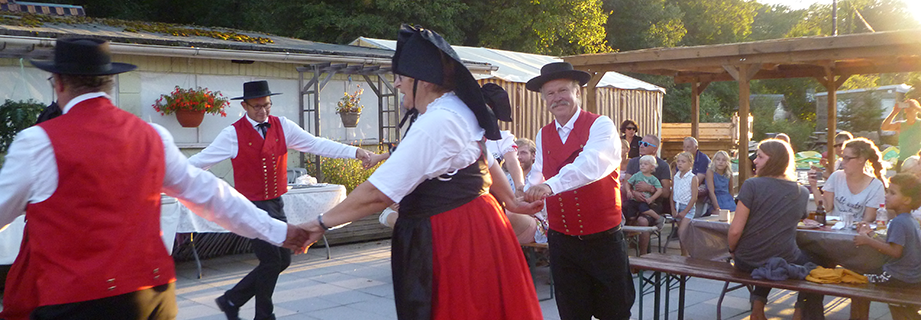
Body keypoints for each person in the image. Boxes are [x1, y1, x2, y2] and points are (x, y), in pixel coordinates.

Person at [0, 38, 308, 320]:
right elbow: (212, 195)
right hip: (151, 296)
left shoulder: (36, 142)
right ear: (109, 83)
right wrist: (279, 231)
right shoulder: (152, 136)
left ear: (59, 83)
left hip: (77, 300)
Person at [295, 25, 545, 320]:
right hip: (477, 224)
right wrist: (512, 202)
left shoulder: (437, 122)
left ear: (423, 81)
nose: (397, 84)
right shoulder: (457, 109)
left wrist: (320, 223)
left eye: (401, 77)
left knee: (459, 309)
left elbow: (377, 193)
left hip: (453, 235)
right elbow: (486, 159)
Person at [188, 80, 372, 320]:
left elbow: (316, 144)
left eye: (267, 105)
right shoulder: (232, 134)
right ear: (244, 106)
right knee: (272, 260)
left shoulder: (283, 126)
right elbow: (200, 162)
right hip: (251, 207)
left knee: (282, 259)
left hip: (275, 203)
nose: (263, 111)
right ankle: (262, 314)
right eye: (257, 107)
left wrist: (354, 151)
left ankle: (232, 298)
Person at [523, 61, 635, 320]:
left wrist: (549, 186)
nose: (557, 98)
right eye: (550, 93)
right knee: (572, 313)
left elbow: (591, 164)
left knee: (615, 313)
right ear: (544, 99)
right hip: (562, 241)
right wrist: (526, 192)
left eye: (563, 91)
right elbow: (539, 170)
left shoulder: (601, 125)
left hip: (603, 241)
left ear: (578, 93)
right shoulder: (543, 133)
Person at [728, 139, 825, 320]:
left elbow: (735, 231)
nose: (754, 161)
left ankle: (757, 310)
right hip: (781, 258)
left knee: (771, 258)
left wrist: (732, 250)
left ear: (773, 160)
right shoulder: (801, 192)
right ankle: (800, 312)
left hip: (747, 260)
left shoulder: (751, 185)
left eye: (759, 157)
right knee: (820, 263)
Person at [851, 173, 921, 320]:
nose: (886, 195)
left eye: (892, 193)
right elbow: (895, 246)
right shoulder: (910, 220)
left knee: (856, 281)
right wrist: (871, 235)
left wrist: (867, 241)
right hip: (911, 277)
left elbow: (895, 252)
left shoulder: (899, 222)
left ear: (907, 200)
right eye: (887, 191)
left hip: (897, 277)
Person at [809, 138, 887, 225]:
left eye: (847, 158)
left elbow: (867, 220)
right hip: (833, 228)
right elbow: (826, 207)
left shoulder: (876, 186)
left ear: (861, 159)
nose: (843, 163)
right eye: (842, 158)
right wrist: (814, 187)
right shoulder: (836, 176)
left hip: (857, 232)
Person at [622, 134, 672, 255]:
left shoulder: (663, 166)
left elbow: (666, 192)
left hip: (652, 203)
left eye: (645, 144)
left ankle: (643, 257)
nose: (641, 146)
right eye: (640, 143)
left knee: (643, 221)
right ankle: (623, 252)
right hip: (633, 201)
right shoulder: (633, 162)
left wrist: (650, 188)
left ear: (654, 149)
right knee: (619, 215)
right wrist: (633, 192)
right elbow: (625, 185)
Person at [482, 83, 526, 195]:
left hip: (493, 195)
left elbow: (512, 161)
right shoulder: (463, 135)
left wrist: (519, 186)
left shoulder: (502, 138)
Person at [505, 138, 549, 244]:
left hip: (536, 221)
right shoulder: (507, 178)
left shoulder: (540, 176)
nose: (519, 157)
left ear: (533, 155)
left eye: (523, 153)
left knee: (506, 215)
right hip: (513, 220)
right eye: (516, 154)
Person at [672, 151, 699, 256]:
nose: (680, 164)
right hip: (677, 206)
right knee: (681, 234)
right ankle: (684, 254)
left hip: (688, 208)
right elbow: (672, 194)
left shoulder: (692, 178)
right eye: (678, 161)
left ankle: (687, 255)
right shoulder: (676, 176)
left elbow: (694, 198)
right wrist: (673, 209)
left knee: (682, 232)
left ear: (690, 163)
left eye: (683, 161)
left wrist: (685, 211)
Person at [881, 99, 921, 169]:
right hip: (902, 160)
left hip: (917, 160)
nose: (910, 109)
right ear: (905, 110)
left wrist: (917, 108)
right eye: (908, 107)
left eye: (912, 107)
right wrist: (894, 112)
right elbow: (884, 127)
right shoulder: (900, 124)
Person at [625, 155, 664, 228]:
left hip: (644, 200)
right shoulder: (636, 175)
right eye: (641, 164)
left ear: (652, 167)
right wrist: (629, 191)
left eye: (645, 164)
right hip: (634, 199)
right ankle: (633, 232)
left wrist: (651, 198)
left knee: (644, 210)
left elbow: (660, 190)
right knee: (631, 216)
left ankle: (659, 218)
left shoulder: (653, 179)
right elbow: (628, 183)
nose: (642, 166)